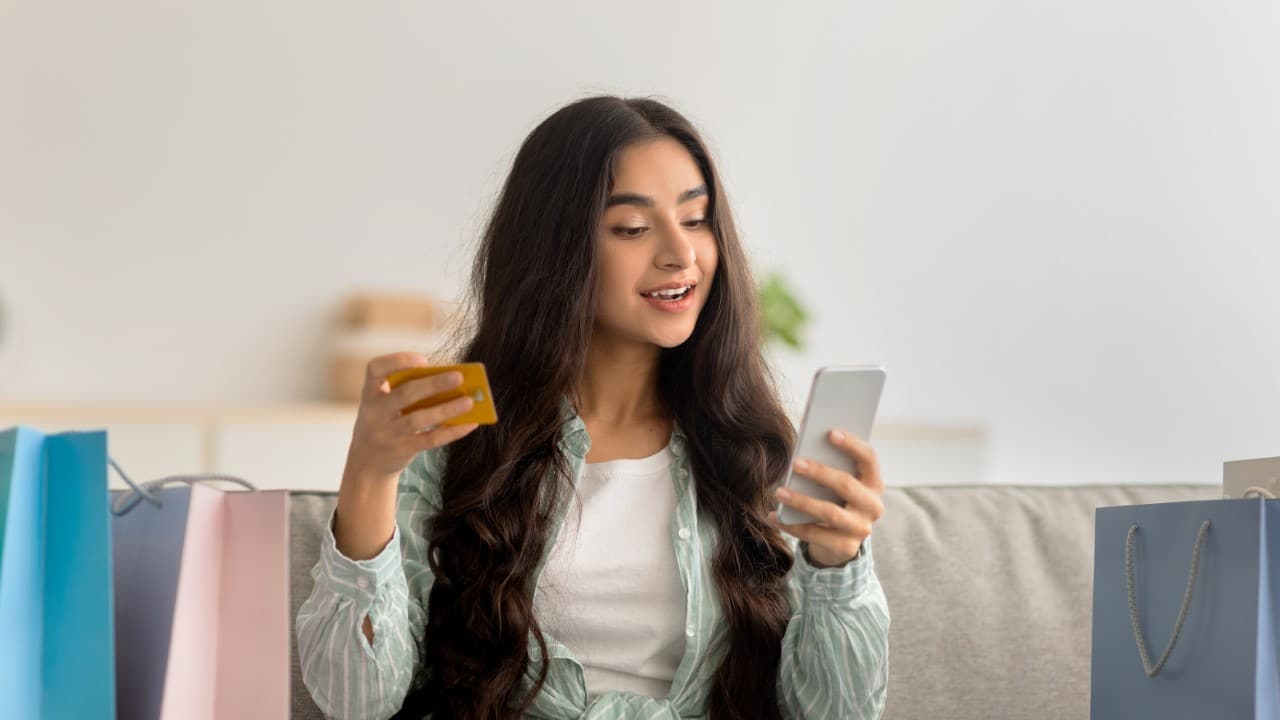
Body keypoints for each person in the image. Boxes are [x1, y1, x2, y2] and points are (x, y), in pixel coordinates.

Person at [296, 95, 890, 720]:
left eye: (696, 219)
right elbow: (354, 700)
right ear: (555, 250)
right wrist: (369, 472)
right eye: (633, 228)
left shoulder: (751, 450)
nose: (680, 254)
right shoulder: (463, 440)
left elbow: (839, 713)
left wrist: (837, 565)